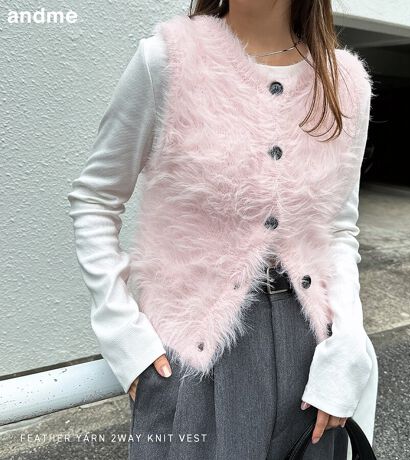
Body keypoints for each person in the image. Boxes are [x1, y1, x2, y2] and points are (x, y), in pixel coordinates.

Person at [67, 1, 379, 459]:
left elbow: (337, 229)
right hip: (193, 357)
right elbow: (95, 198)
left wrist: (347, 343)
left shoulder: (344, 83)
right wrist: (126, 340)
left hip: (314, 362)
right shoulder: (168, 60)